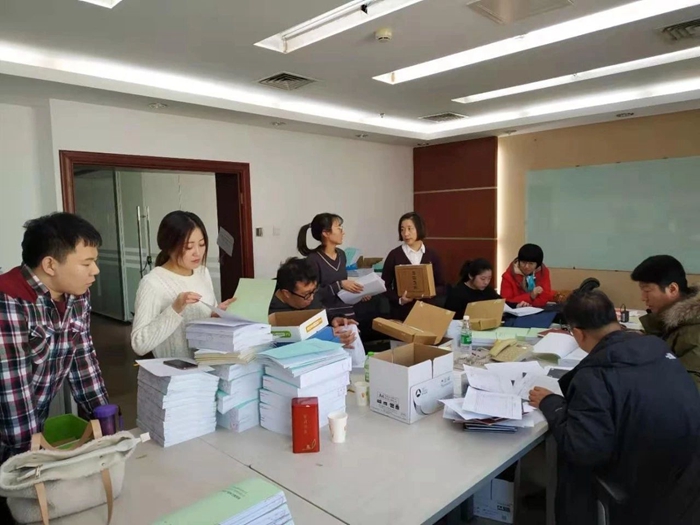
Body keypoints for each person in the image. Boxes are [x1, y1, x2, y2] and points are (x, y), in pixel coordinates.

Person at [529, 290, 700, 525]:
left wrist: (552, 404)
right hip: (685, 477)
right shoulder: (658, 349)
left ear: (578, 333)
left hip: (640, 492)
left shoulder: (595, 376)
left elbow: (583, 449)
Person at [0, 213, 109, 463]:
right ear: (50, 265)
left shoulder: (77, 295)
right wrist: (30, 461)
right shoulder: (9, 299)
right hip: (10, 436)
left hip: (34, 424)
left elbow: (84, 362)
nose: (95, 270)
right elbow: (13, 392)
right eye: (86, 263)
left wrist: (106, 423)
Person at [131, 211, 234, 359]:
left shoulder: (202, 273)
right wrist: (175, 309)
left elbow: (203, 323)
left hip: (207, 366)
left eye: (202, 244)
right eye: (188, 247)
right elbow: (139, 344)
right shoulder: (152, 282)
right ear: (169, 247)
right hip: (174, 371)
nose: (197, 253)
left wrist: (215, 314)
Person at [631, 255, 700, 389]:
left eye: (647, 291)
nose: (643, 298)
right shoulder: (671, 322)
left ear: (672, 289)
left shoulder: (694, 333)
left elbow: (689, 391)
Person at [269, 257, 357, 347]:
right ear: (286, 293)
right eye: (307, 294)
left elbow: (320, 311)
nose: (311, 298)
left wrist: (333, 318)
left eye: (314, 291)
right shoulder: (269, 311)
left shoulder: (308, 293)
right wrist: (326, 340)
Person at [381, 212, 446, 320]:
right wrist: (400, 300)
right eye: (402, 229)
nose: (406, 233)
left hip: (427, 312)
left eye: (410, 229)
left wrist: (429, 292)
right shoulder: (394, 255)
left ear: (419, 229)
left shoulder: (432, 255)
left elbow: (442, 286)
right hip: (402, 313)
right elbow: (384, 286)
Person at [297, 213, 361, 320]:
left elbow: (344, 287)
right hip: (326, 315)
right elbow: (312, 295)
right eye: (339, 228)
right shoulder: (313, 260)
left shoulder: (341, 254)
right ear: (326, 233)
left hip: (346, 311)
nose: (343, 232)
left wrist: (359, 291)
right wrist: (339, 285)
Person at [500, 243, 553, 307]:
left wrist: (530, 305)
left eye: (531, 263)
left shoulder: (543, 272)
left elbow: (545, 296)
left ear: (538, 264)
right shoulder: (508, 276)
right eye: (523, 262)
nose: (526, 266)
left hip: (537, 308)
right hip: (515, 310)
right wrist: (531, 296)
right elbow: (506, 302)